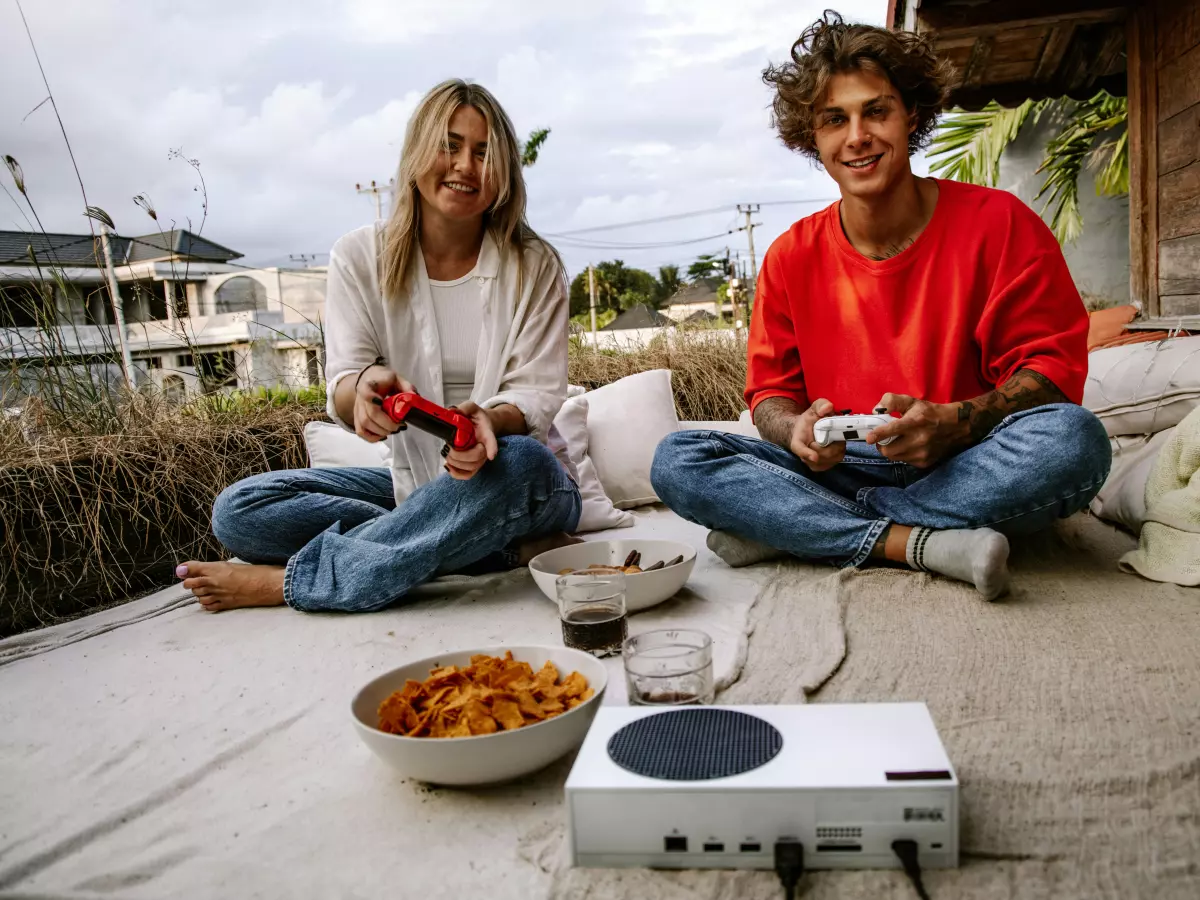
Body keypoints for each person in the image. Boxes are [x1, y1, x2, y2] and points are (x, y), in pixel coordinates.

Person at [651, 12, 1111, 600]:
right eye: (833, 119)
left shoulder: (1000, 223)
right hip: (840, 465)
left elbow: (1051, 374)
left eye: (876, 110)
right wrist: (795, 430)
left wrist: (954, 422)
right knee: (678, 458)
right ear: (811, 137)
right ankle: (912, 541)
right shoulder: (790, 255)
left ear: (910, 115)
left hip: (965, 461)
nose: (857, 136)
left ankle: (802, 526)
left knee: (1075, 442)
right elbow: (769, 398)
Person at [177, 80, 581, 613]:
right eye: (449, 145)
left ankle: (292, 583)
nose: (465, 165)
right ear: (416, 154)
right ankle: (486, 548)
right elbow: (345, 383)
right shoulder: (358, 256)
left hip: (520, 483)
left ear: (504, 170)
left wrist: (489, 421)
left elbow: (536, 393)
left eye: (484, 153)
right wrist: (362, 388)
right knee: (242, 508)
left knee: (522, 459)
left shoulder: (537, 265)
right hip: (413, 484)